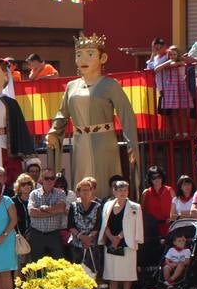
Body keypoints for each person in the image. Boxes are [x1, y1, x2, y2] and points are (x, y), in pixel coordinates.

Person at [47, 33, 139, 199]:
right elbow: (62, 114)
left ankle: (107, 211)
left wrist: (131, 142)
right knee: (81, 181)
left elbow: (127, 115)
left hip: (103, 141)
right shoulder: (71, 86)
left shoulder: (110, 85)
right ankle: (82, 213)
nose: (83, 59)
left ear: (102, 58)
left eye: (90, 54)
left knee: (103, 180)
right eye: (79, 55)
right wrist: (54, 131)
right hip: (79, 141)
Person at [99, 178, 143, 289]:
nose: (123, 193)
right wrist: (111, 237)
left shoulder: (135, 207)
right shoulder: (107, 205)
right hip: (111, 242)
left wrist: (118, 237)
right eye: (120, 190)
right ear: (114, 191)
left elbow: (135, 226)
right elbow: (104, 223)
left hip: (127, 242)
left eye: (125, 190)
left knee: (127, 272)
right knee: (112, 272)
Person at [26, 168, 69, 262]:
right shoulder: (34, 194)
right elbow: (32, 212)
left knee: (58, 266)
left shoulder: (60, 193)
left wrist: (45, 209)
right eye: (46, 178)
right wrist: (53, 211)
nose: (49, 180)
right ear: (41, 179)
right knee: (37, 267)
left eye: (52, 178)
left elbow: (61, 208)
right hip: (37, 235)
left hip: (54, 235)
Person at [69, 176, 103, 277]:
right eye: (83, 190)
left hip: (92, 244)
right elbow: (70, 225)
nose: (85, 192)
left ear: (91, 191)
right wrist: (82, 237)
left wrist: (89, 238)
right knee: (77, 273)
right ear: (78, 192)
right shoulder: (73, 206)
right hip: (77, 244)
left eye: (88, 190)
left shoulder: (97, 206)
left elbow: (98, 225)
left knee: (93, 273)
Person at [139, 166, 173, 257]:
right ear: (150, 179)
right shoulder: (146, 193)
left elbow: (176, 209)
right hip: (152, 230)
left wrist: (172, 218)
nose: (157, 179)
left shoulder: (170, 190)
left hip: (168, 227)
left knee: (168, 254)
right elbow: (142, 213)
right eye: (154, 177)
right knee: (154, 255)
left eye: (159, 177)